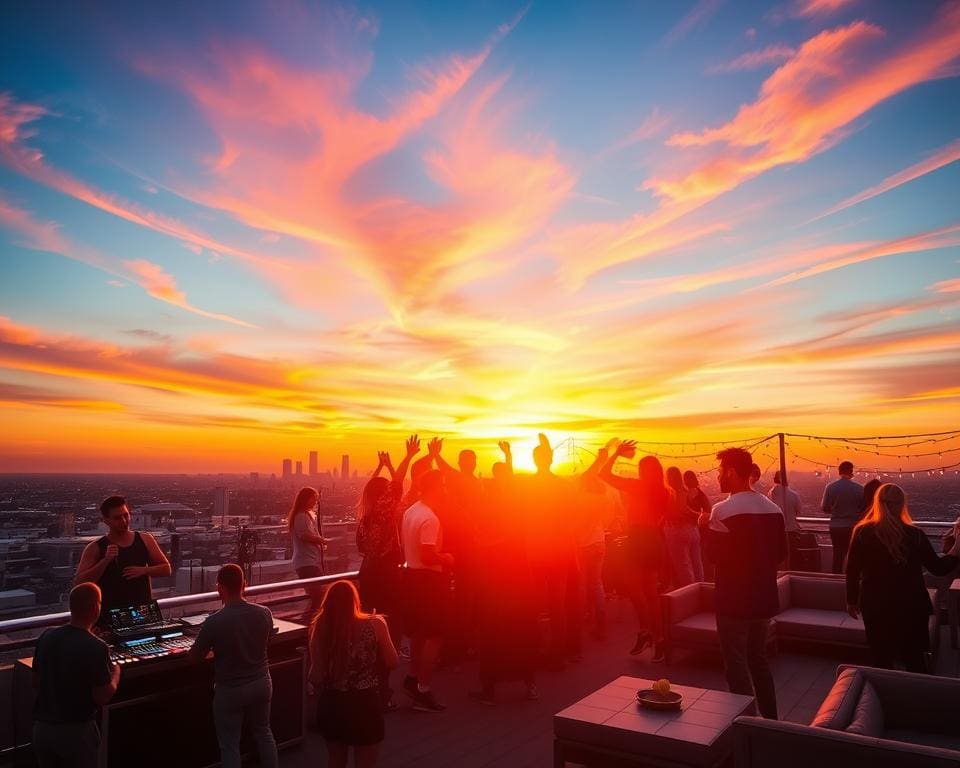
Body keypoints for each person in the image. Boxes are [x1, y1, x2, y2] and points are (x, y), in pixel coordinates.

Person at [846, 484, 960, 673]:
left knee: (881, 659)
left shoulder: (862, 533)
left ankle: (884, 698)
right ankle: (916, 698)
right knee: (915, 659)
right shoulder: (915, 535)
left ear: (878, 503)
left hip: (875, 605)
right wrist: (956, 549)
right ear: (902, 504)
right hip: (912, 605)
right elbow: (938, 568)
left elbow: (852, 570)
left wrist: (851, 600)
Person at [707, 447, 786, 720]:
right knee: (758, 660)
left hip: (732, 599)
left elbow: (714, 557)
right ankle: (771, 721)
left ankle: (746, 723)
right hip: (762, 597)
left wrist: (702, 527)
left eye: (719, 472)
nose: (718, 477)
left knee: (736, 664)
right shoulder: (774, 509)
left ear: (730, 472)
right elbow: (780, 555)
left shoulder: (721, 511)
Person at [469, 441, 539, 705]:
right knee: (522, 631)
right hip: (520, 580)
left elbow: (486, 542)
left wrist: (485, 543)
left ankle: (489, 688)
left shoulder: (490, 513)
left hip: (497, 583)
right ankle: (529, 683)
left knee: (493, 633)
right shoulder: (519, 510)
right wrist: (508, 457)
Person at [189, 564, 277, 768]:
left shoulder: (214, 622)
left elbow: (194, 658)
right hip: (262, 683)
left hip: (230, 690)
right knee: (264, 733)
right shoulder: (264, 613)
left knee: (229, 745)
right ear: (244, 585)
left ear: (219, 588)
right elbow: (265, 641)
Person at [356, 435, 420, 711]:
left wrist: (385, 467)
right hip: (386, 577)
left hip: (367, 574)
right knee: (388, 631)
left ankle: (368, 684)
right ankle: (382, 690)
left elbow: (389, 493)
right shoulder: (383, 515)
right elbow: (396, 490)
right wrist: (407, 458)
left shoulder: (365, 518)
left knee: (367, 628)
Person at [309, 580, 398, 768]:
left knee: (335, 761)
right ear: (355, 600)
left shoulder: (320, 627)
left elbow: (315, 676)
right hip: (364, 705)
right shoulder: (376, 625)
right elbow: (393, 661)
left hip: (332, 705)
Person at [32, 583, 120, 768]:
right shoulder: (96, 647)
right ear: (95, 607)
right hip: (76, 733)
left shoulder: (46, 636)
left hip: (42, 730)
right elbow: (102, 696)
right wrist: (116, 675)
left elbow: (36, 681)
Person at [599, 441, 669, 662]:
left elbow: (604, 474)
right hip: (654, 540)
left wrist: (616, 454)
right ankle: (657, 639)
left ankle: (646, 631)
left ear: (643, 471)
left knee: (634, 589)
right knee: (651, 593)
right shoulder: (664, 492)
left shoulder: (637, 486)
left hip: (638, 538)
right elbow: (660, 520)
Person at [522, 434, 581, 668]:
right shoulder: (564, 486)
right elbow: (573, 518)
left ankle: (535, 647)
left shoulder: (528, 486)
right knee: (559, 603)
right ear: (551, 459)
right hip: (561, 549)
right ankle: (559, 653)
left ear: (534, 460)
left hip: (537, 548)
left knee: (536, 602)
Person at [400, 469, 453, 711]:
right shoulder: (430, 518)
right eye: (442, 486)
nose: (445, 490)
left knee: (419, 631)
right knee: (435, 634)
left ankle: (412, 678)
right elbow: (428, 554)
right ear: (434, 488)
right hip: (429, 581)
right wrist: (448, 558)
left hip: (411, 577)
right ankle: (423, 688)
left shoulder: (412, 511)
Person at [74, 495, 172, 620]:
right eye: (117, 518)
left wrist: (143, 570)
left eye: (126, 515)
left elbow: (166, 569)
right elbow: (79, 582)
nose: (124, 521)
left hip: (142, 612)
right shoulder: (95, 547)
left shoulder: (145, 539)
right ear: (106, 520)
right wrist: (105, 561)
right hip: (110, 616)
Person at [288, 486, 328, 624]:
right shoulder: (301, 516)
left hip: (310, 561)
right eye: (313, 499)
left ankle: (310, 622)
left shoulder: (305, 516)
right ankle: (308, 622)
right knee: (318, 595)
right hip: (306, 562)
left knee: (317, 594)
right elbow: (304, 535)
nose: (314, 502)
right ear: (305, 499)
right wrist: (320, 540)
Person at [821, 461, 864, 573]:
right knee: (853, 555)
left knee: (837, 555)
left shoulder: (830, 487)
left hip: (836, 526)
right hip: (853, 527)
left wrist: (836, 510)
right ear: (851, 471)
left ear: (839, 471)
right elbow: (864, 508)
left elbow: (825, 507)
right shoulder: (859, 488)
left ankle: (835, 579)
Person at [664, 466, 703, 587]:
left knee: (683, 566)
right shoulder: (686, 490)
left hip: (677, 530)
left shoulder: (673, 492)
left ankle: (690, 594)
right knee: (697, 562)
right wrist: (699, 515)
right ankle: (700, 589)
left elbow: (682, 509)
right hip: (692, 529)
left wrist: (698, 515)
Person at [684, 471, 714, 581]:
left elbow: (708, 513)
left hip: (699, 530)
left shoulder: (695, 495)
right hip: (696, 530)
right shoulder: (697, 494)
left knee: (699, 558)